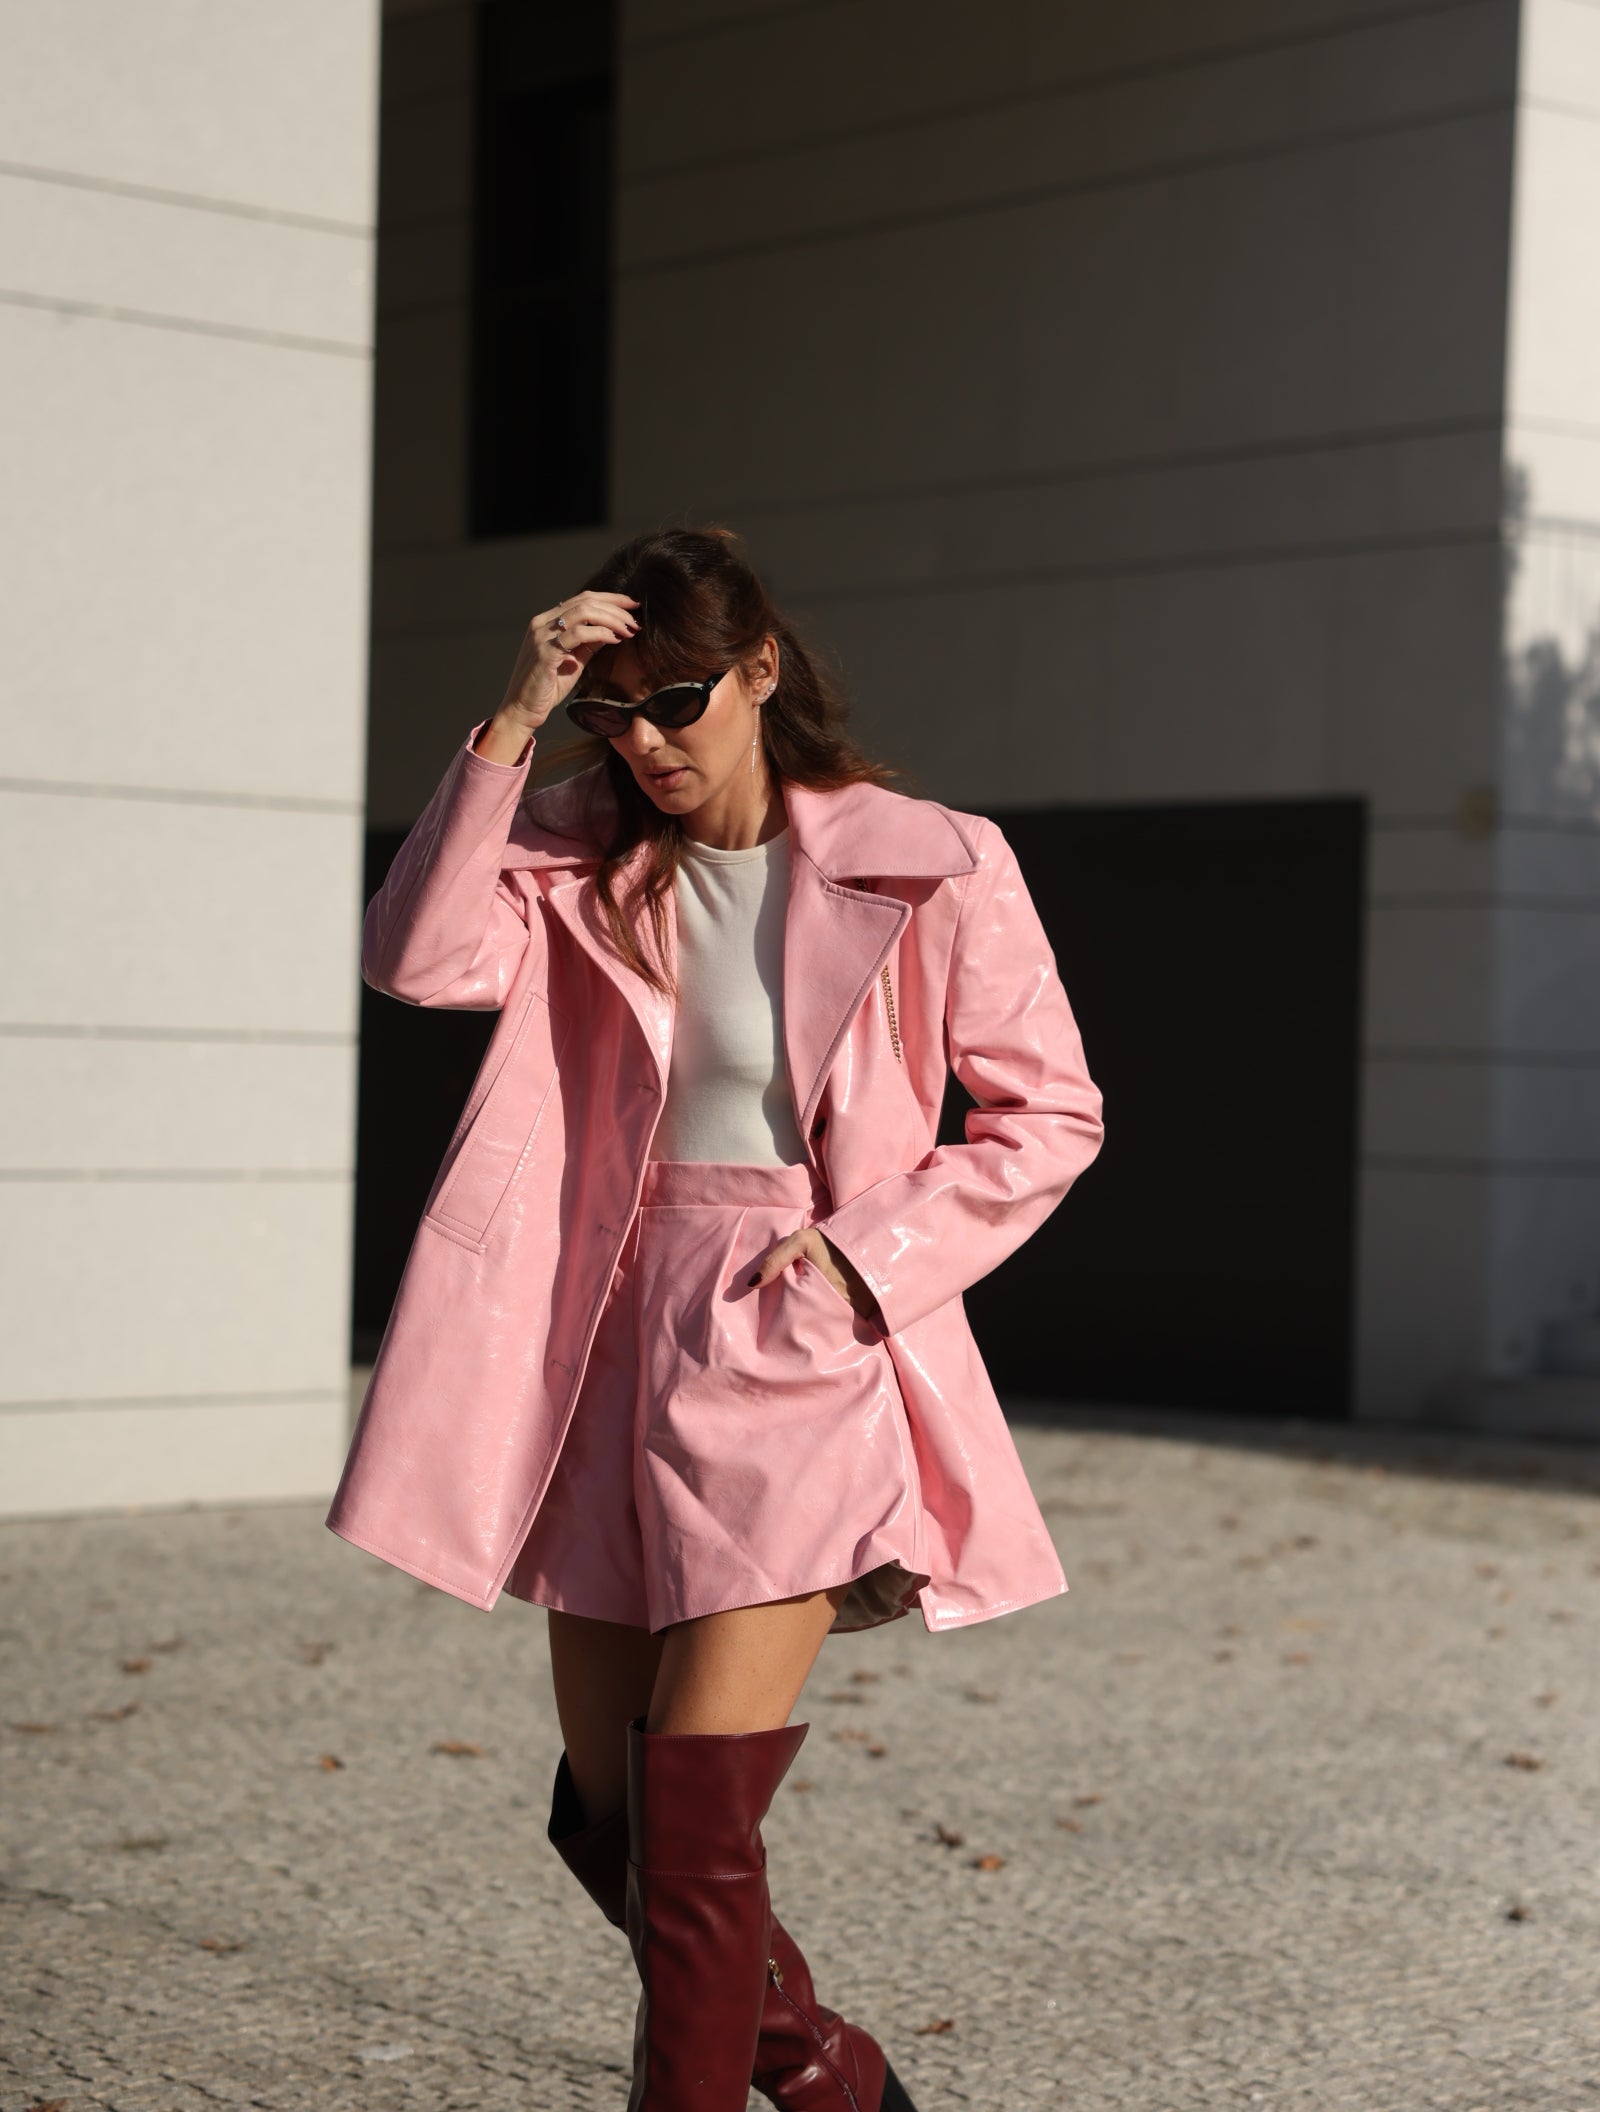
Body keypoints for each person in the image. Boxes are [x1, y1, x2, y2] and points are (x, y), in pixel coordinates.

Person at [327, 524, 1105, 2109]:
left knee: (690, 1815)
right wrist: (514, 717)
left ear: (758, 672)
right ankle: (826, 2075)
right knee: (615, 1823)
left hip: (801, 1331)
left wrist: (861, 1262)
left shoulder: (934, 859)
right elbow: (413, 960)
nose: (645, 744)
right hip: (600, 1333)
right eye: (612, 714)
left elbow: (1051, 1117)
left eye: (675, 702)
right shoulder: (569, 849)